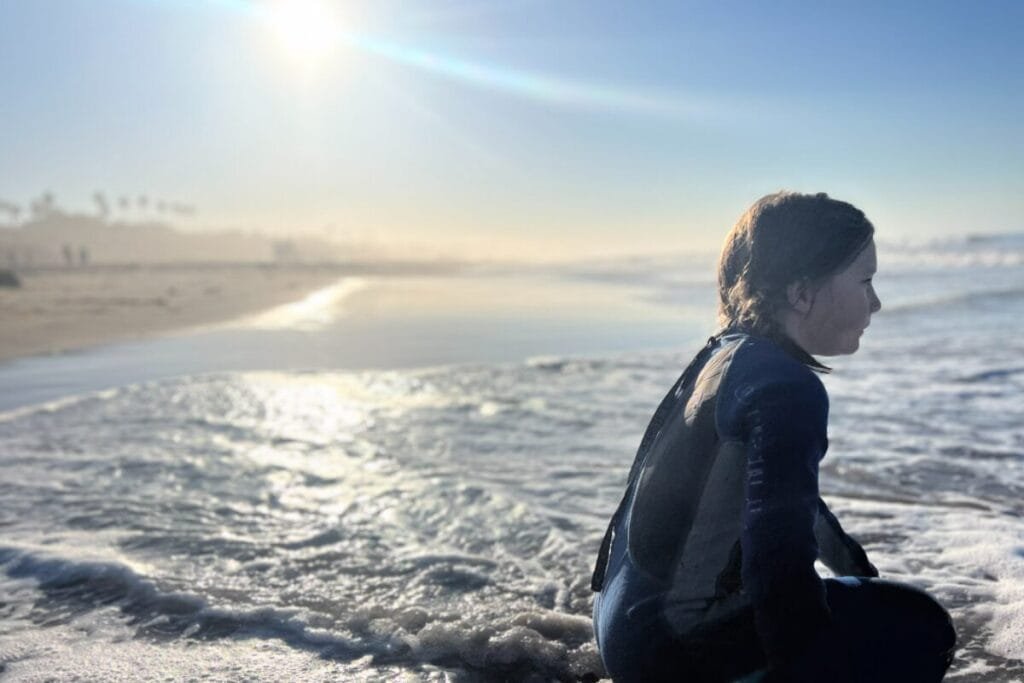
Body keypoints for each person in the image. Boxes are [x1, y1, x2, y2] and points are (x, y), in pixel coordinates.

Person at [590, 192, 956, 682]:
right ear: (801, 293)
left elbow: (780, 504)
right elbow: (778, 564)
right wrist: (812, 664)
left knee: (858, 599)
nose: (876, 302)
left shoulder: (725, 355)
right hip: (667, 653)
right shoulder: (789, 388)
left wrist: (857, 570)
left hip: (620, 627)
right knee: (921, 625)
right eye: (865, 280)